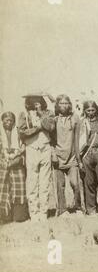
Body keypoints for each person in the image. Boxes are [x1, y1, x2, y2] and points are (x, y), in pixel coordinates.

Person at [18, 94, 55, 222]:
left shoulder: (48, 113)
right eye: (32, 99)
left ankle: (43, 212)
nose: (35, 102)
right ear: (28, 101)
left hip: (45, 147)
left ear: (41, 100)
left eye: (37, 99)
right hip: (31, 148)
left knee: (44, 182)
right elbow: (22, 132)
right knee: (32, 181)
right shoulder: (24, 114)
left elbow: (50, 127)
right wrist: (37, 129)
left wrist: (40, 113)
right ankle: (34, 213)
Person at [53, 95, 83, 215]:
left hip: (72, 157)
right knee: (60, 185)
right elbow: (51, 139)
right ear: (57, 105)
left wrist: (78, 158)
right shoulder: (54, 119)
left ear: (69, 105)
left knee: (75, 183)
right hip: (58, 157)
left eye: (66, 103)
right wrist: (53, 154)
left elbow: (76, 140)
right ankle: (62, 210)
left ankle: (78, 207)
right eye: (61, 103)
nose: (64, 106)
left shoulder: (75, 118)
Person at [80, 100, 98, 215]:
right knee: (89, 182)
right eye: (88, 110)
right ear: (85, 111)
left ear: (96, 110)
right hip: (87, 154)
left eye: (93, 110)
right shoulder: (82, 123)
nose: (91, 112)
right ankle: (91, 208)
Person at [0, 112, 28, 223]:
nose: (8, 122)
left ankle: (19, 216)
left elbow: (23, 147)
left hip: (17, 163)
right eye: (6, 120)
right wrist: (5, 161)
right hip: (3, 164)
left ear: (13, 121)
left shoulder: (18, 133)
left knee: (19, 188)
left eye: (11, 120)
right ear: (2, 121)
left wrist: (16, 159)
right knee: (3, 189)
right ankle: (4, 216)